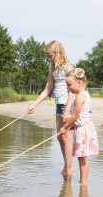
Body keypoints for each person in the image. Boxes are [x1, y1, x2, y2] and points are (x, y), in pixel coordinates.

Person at [25, 40, 75, 176]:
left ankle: (69, 168)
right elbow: (47, 89)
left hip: (67, 105)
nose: (49, 58)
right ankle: (67, 165)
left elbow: (72, 91)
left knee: (66, 137)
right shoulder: (53, 69)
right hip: (58, 104)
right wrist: (33, 105)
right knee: (60, 137)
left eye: (50, 56)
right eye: (48, 56)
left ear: (57, 53)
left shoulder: (68, 68)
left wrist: (67, 109)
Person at [59, 68, 99, 185]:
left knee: (82, 159)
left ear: (79, 83)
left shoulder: (80, 97)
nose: (68, 88)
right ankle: (83, 183)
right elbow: (82, 116)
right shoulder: (86, 94)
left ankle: (83, 183)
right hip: (84, 128)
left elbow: (75, 116)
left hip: (83, 131)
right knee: (82, 158)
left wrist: (65, 127)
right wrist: (73, 126)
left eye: (69, 85)